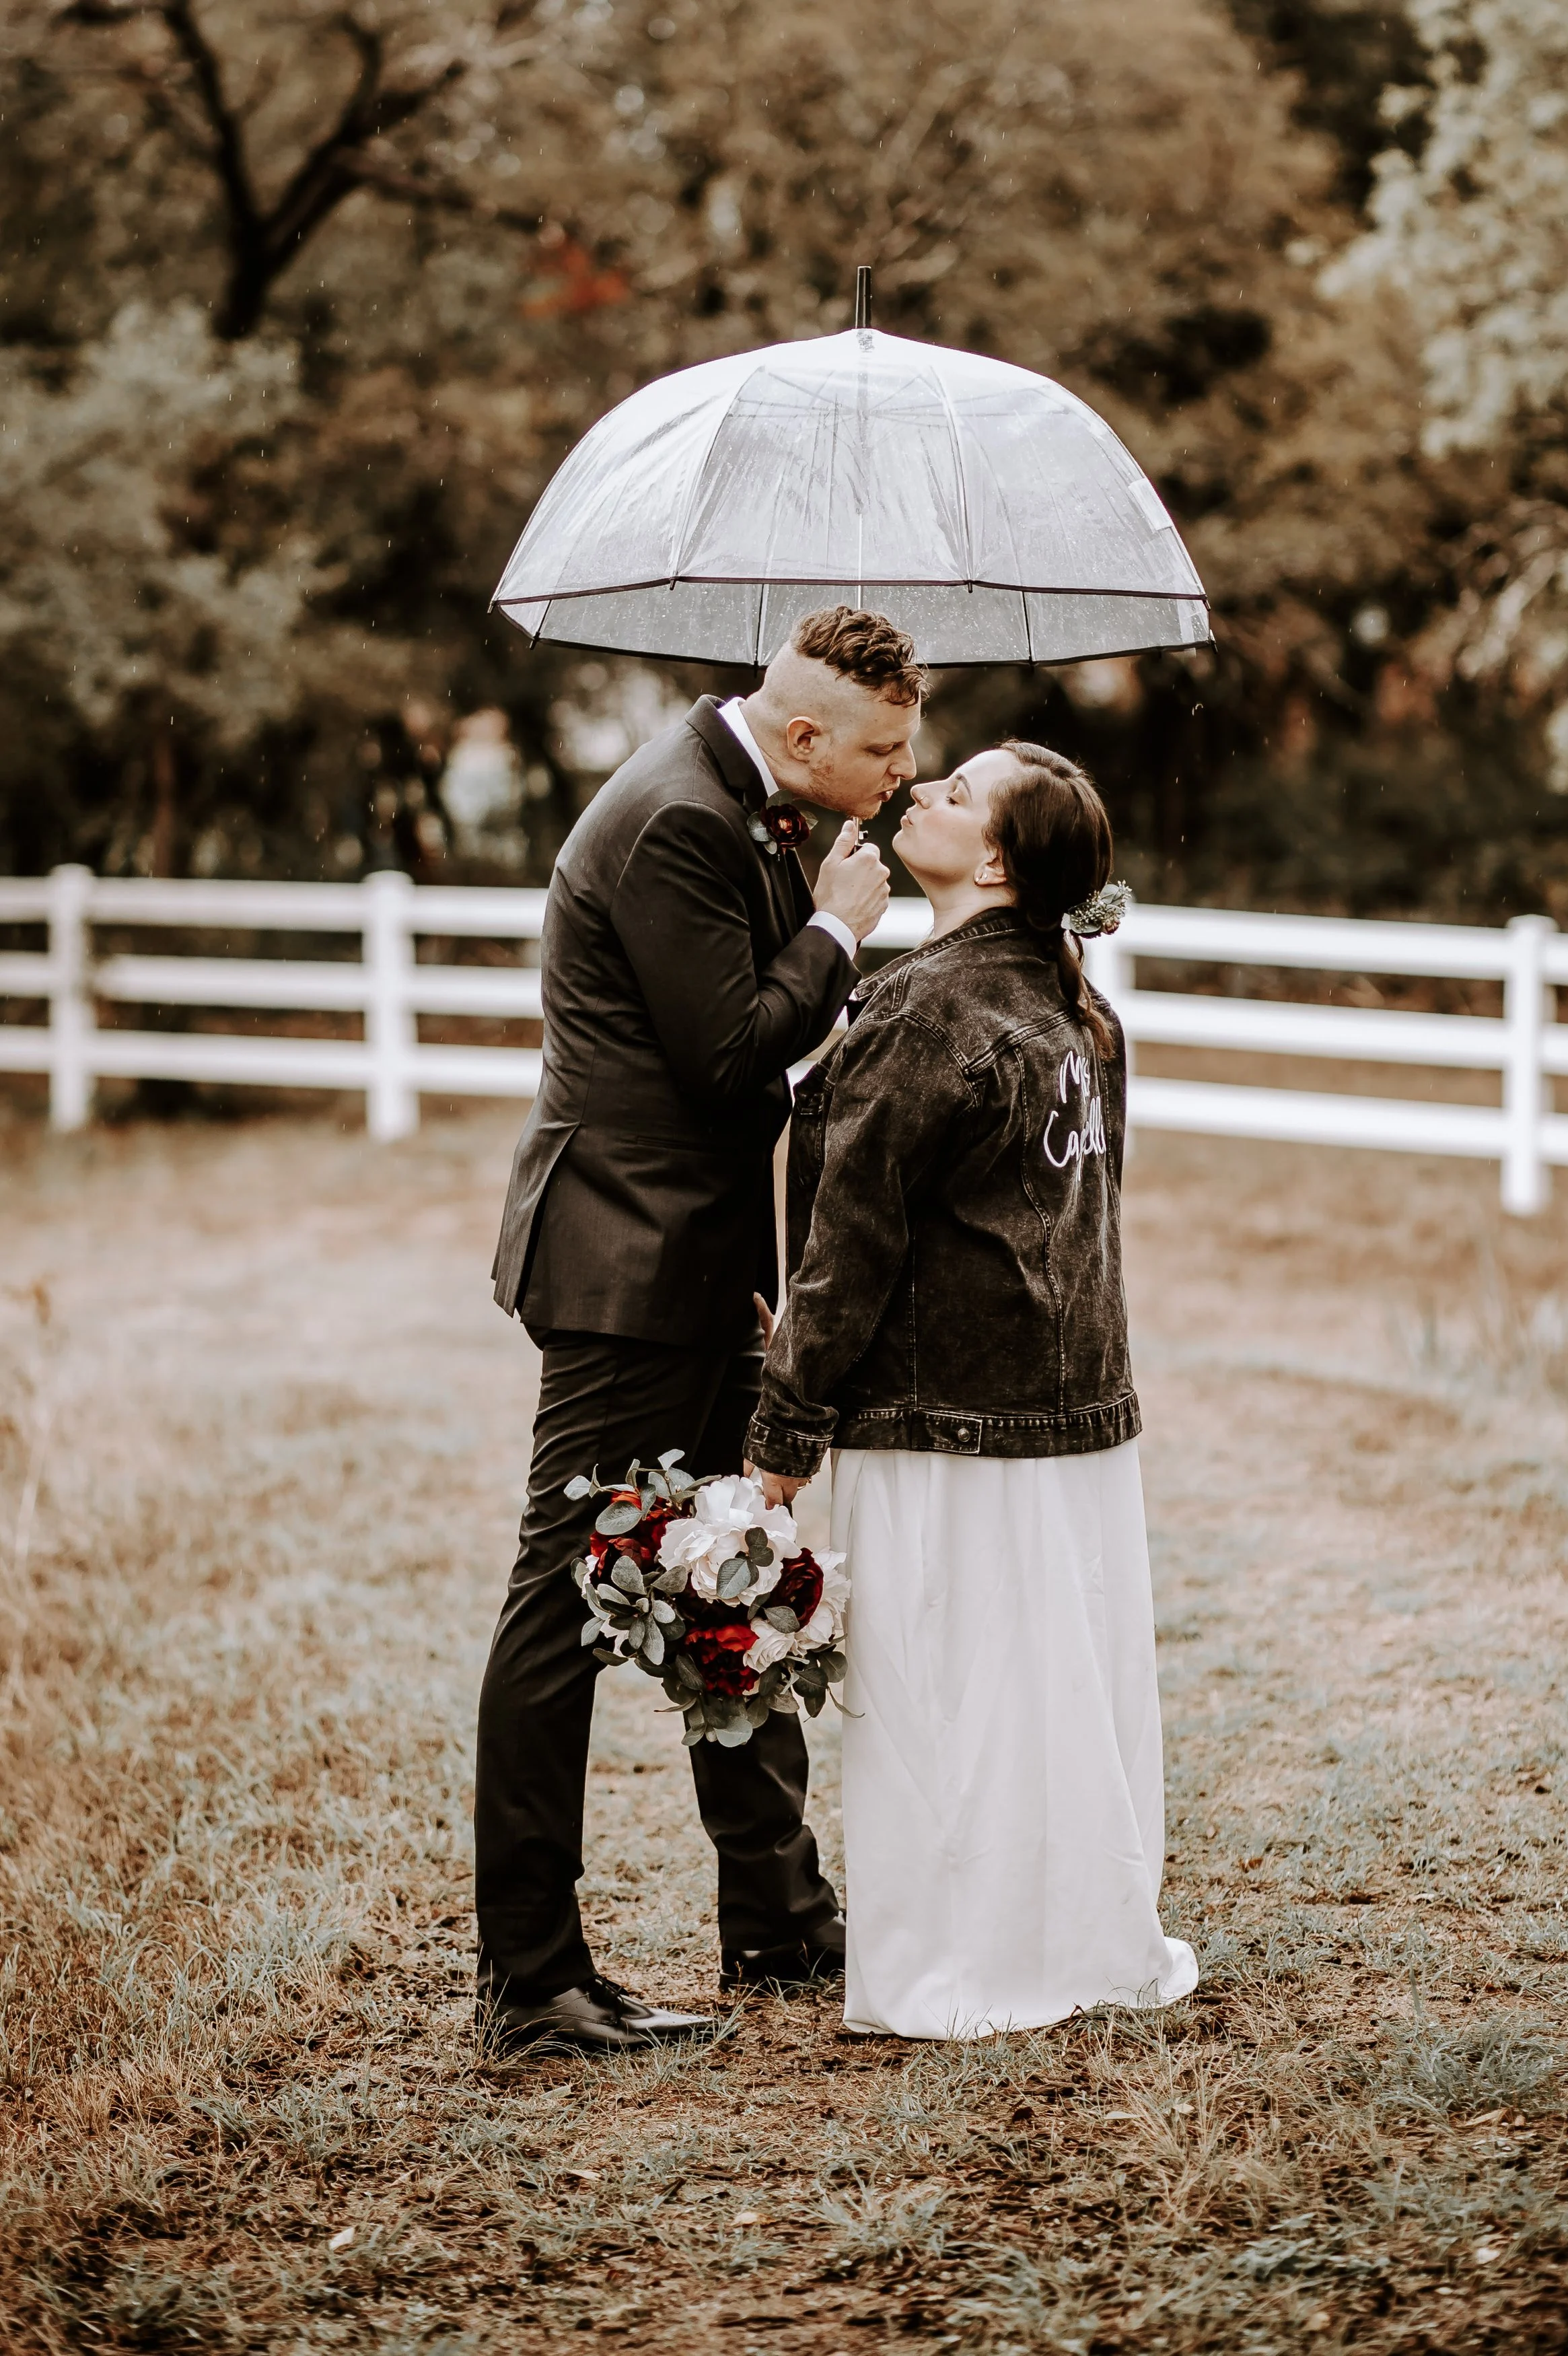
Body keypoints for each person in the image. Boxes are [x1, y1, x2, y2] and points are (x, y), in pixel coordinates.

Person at [476, 606, 923, 2057]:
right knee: (561, 1605)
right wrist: (838, 933)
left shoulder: (758, 800)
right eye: (883, 748)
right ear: (803, 734)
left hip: (696, 1261)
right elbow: (732, 1061)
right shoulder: (675, 817)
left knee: (735, 1572)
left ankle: (778, 1918)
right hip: (622, 1267)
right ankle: (531, 1977)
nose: (901, 775)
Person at [745, 741, 1198, 2040]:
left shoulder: (932, 1012)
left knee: (947, 1699)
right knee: (1050, 1691)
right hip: (1067, 1411)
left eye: (954, 791)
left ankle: (964, 1967)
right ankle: (1061, 1933)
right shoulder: (1075, 1009)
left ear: (994, 860)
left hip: (947, 1418)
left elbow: (855, 1245)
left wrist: (786, 1429)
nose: (923, 791)